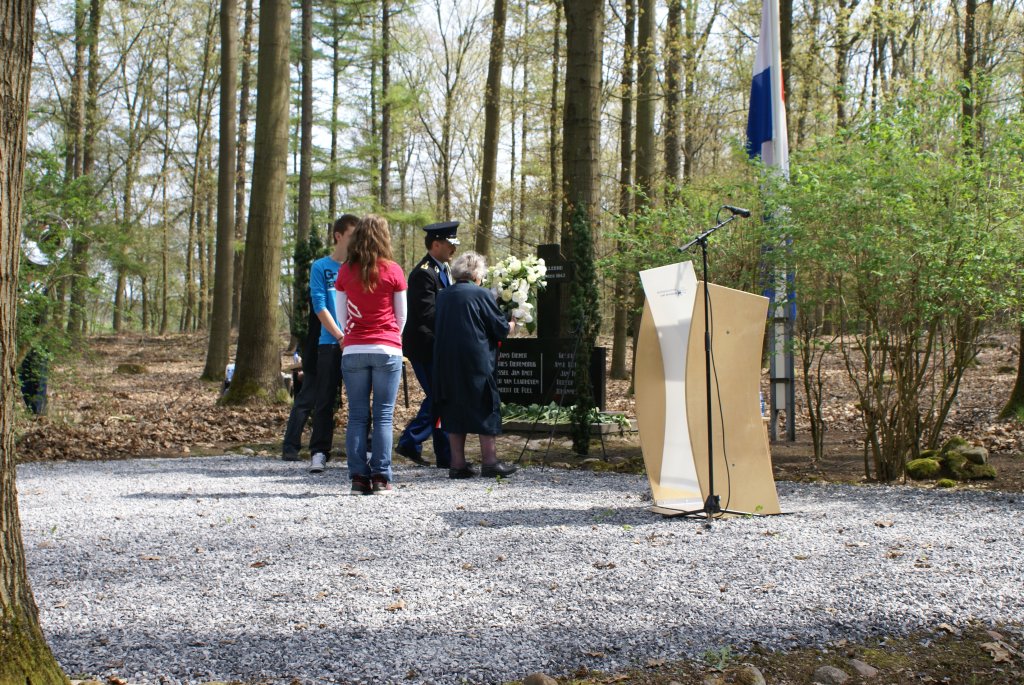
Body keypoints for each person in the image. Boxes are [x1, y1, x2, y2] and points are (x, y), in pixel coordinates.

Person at [334, 215, 407, 495]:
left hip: (354, 349)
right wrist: (392, 338)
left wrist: (352, 336)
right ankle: (381, 478)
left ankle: (358, 478)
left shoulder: (345, 271)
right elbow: (402, 316)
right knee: (384, 415)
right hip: (386, 348)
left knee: (357, 416)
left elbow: (341, 316)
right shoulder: (393, 270)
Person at [282, 214, 358, 470]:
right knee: (321, 398)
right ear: (338, 236)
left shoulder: (358, 267)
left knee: (359, 400)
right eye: (352, 235)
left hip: (356, 343)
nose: (356, 241)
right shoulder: (321, 267)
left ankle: (364, 450)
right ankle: (317, 451)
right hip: (327, 343)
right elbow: (319, 305)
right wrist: (339, 336)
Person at [432, 251, 517, 479]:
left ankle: (457, 464)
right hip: (476, 360)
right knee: (485, 404)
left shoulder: (443, 295)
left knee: (454, 407)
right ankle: (490, 462)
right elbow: (499, 328)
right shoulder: (482, 294)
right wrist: (512, 324)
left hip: (447, 361)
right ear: (476, 274)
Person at [396, 221, 459, 469]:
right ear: (436, 244)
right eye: (450, 244)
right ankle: (410, 440)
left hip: (438, 345)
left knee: (442, 398)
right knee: (439, 397)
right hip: (425, 346)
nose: (453, 249)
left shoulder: (443, 270)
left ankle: (444, 454)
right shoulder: (423, 273)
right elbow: (427, 314)